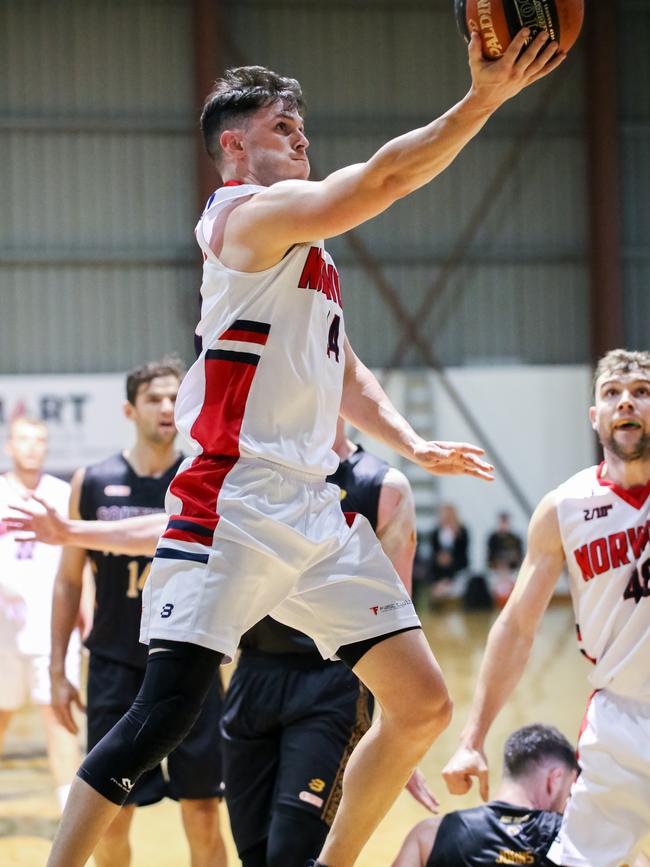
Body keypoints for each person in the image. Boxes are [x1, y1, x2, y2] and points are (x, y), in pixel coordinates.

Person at [44, 29, 565, 867]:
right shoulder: (245, 218)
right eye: (285, 128)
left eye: (302, 129)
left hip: (315, 506)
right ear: (234, 145)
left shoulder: (307, 256)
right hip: (234, 499)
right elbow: (387, 179)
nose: (303, 140)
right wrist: (483, 100)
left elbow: (345, 367)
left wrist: (411, 442)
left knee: (423, 703)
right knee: (163, 716)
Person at [9, 417, 437, 866]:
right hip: (251, 675)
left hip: (329, 684)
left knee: (291, 850)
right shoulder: (251, 467)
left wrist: (398, 730)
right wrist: (71, 532)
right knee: (251, 851)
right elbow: (171, 528)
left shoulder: (380, 485)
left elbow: (398, 614)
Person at [443, 349, 650, 867]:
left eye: (642, 392)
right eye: (612, 393)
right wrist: (472, 738)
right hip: (618, 724)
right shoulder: (565, 507)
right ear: (595, 415)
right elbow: (515, 629)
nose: (627, 401)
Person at [49, 360, 228, 867]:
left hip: (189, 663)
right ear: (130, 409)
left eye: (175, 397)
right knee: (110, 817)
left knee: (203, 813)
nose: (167, 408)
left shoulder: (200, 478)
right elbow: (67, 582)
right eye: (154, 398)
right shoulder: (94, 480)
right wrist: (57, 670)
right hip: (114, 666)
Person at [0, 417, 81, 812]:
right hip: (3, 628)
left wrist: (87, 613)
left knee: (58, 713)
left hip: (52, 624)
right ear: (10, 445)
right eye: (24, 440)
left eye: (40, 440)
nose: (32, 447)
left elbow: (80, 561)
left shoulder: (63, 494)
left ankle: (69, 812)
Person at [393, 724, 578, 867]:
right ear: (555, 778)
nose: (568, 800)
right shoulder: (571, 838)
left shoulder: (428, 834)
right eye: (569, 790)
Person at [428, 504, 470, 602]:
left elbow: (463, 549)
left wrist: (457, 535)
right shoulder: (436, 531)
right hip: (440, 567)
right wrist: (441, 556)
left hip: (457, 565)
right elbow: (434, 548)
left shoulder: (462, 531)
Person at [486, 511, 523, 606]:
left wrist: (509, 568)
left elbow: (519, 558)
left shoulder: (516, 539)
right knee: (495, 583)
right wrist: (500, 568)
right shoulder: (492, 538)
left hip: (512, 571)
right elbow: (489, 559)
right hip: (497, 571)